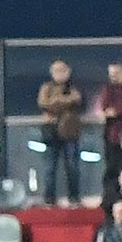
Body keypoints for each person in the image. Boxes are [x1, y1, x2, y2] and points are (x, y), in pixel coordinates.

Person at [37, 61, 84, 205]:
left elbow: (77, 99)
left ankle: (74, 198)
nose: (60, 74)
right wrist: (65, 103)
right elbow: (43, 103)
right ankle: (49, 199)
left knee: (72, 166)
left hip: (70, 132)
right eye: (57, 71)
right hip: (51, 133)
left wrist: (56, 102)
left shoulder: (74, 87)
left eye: (63, 71)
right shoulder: (46, 87)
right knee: (50, 167)